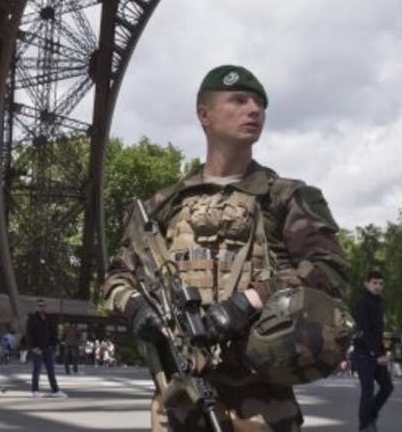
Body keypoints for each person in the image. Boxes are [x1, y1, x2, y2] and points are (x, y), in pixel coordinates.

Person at [104, 65, 350, 431]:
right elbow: (115, 277)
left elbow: (329, 272)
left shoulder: (287, 197)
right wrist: (136, 306)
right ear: (204, 114)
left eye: (260, 103)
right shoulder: (162, 206)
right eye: (239, 100)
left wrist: (249, 301)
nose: (254, 109)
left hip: (262, 401)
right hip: (179, 397)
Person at [351, 271, 392, 432]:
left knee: (387, 387)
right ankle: (364, 426)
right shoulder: (361, 303)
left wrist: (384, 352)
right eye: (374, 283)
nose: (378, 286)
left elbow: (377, 333)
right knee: (368, 390)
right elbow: (363, 331)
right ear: (366, 283)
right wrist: (377, 355)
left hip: (376, 353)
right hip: (363, 353)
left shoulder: (378, 303)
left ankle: (372, 415)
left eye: (381, 283)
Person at [26, 299, 67, 398]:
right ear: (36, 307)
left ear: (45, 307)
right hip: (38, 349)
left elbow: (53, 334)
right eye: (39, 306)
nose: (41, 307)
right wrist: (33, 347)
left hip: (48, 348)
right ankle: (35, 390)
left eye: (43, 306)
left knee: (51, 370)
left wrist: (56, 346)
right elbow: (29, 335)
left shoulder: (49, 319)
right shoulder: (32, 319)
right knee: (37, 370)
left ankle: (55, 390)